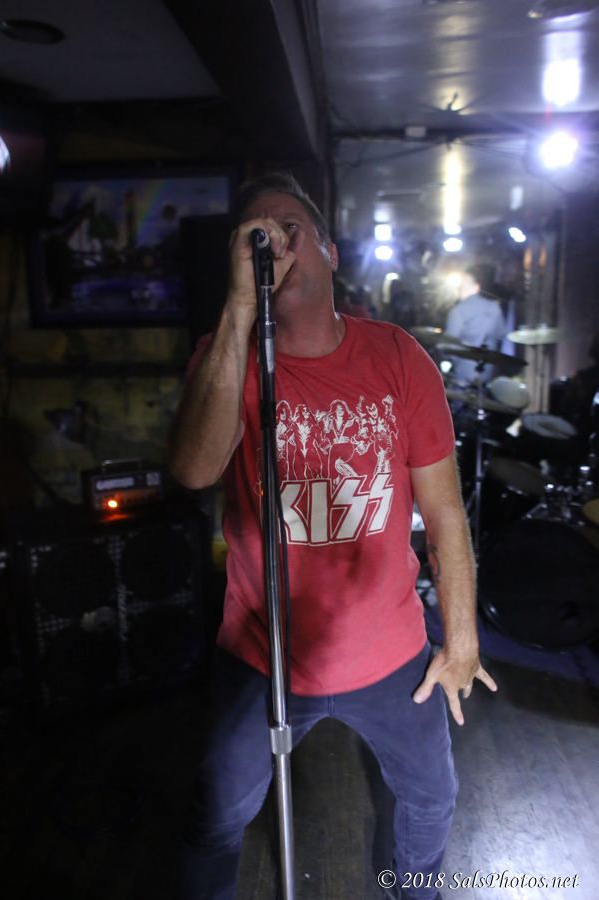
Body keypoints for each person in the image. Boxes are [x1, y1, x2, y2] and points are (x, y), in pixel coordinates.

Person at [168, 172, 497, 900]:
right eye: (257, 235)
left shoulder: (397, 357)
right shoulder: (226, 357)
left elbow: (445, 515)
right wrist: (239, 308)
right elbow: (193, 469)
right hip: (263, 652)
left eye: (290, 229)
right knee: (217, 815)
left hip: (389, 651)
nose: (276, 247)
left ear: (332, 252)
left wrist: (461, 641)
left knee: (431, 798)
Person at [445, 264, 508, 386]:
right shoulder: (494, 307)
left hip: (462, 375)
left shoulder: (458, 311)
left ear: (476, 287)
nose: (459, 290)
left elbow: (448, 343)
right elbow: (501, 335)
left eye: (461, 287)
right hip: (488, 373)